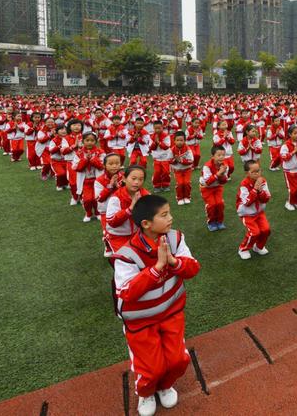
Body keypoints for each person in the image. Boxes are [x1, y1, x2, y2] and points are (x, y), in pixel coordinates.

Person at [111, 194, 200, 416]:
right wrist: (157, 267)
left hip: (171, 312)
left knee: (178, 360)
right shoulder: (126, 255)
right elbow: (126, 291)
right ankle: (146, 391)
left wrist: (173, 262)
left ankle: (164, 385)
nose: (171, 218)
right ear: (146, 224)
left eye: (169, 213)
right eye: (164, 215)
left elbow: (193, 268)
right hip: (141, 321)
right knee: (150, 368)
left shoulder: (176, 239)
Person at [106, 166, 151, 252]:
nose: (137, 182)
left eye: (141, 179)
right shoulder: (116, 198)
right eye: (133, 178)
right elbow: (112, 221)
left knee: (145, 257)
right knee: (125, 260)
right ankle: (107, 240)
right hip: (118, 236)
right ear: (124, 179)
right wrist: (130, 209)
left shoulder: (146, 195)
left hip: (138, 234)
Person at [236, 160, 272, 260]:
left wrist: (260, 192)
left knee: (266, 230)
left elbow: (267, 198)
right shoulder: (244, 184)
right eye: (254, 172)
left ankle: (258, 247)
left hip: (259, 212)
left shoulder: (263, 181)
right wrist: (255, 190)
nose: (257, 174)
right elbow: (247, 202)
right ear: (247, 173)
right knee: (254, 232)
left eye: (258, 171)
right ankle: (243, 249)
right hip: (247, 213)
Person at [71, 132, 105, 222]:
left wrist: (93, 159)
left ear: (96, 141)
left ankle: (98, 212)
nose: (90, 142)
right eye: (87, 140)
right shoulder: (79, 153)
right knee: (87, 200)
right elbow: (76, 168)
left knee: (97, 198)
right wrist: (85, 159)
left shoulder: (100, 152)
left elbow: (102, 166)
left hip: (97, 180)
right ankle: (88, 213)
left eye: (92, 140)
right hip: (85, 180)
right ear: (83, 141)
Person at [95, 154, 124, 256]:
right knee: (107, 231)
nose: (114, 166)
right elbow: (99, 198)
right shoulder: (99, 180)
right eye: (111, 164)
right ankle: (107, 246)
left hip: (121, 208)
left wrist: (119, 186)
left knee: (121, 228)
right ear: (104, 165)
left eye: (117, 163)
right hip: (105, 210)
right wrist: (110, 186)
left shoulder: (124, 176)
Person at [199, 145, 229, 231]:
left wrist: (222, 175)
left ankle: (219, 221)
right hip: (206, 188)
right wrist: (218, 174)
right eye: (219, 155)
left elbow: (224, 181)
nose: (221, 157)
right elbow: (208, 181)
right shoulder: (207, 166)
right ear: (212, 157)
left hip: (217, 187)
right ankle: (211, 222)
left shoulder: (225, 166)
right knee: (212, 205)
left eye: (223, 155)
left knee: (220, 203)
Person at [280, 125, 297, 211]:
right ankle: (289, 202)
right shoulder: (285, 145)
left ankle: (296, 202)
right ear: (290, 134)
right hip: (289, 170)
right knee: (293, 189)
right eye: (295, 133)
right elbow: (284, 157)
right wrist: (294, 151)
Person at [170, 131, 194, 206]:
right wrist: (174, 160)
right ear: (174, 141)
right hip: (177, 170)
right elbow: (169, 160)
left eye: (181, 140)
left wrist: (181, 160)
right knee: (180, 184)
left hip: (187, 169)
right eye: (177, 140)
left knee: (186, 183)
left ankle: (187, 197)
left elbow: (191, 160)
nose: (179, 142)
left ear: (184, 141)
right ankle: (180, 198)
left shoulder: (188, 149)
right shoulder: (172, 150)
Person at [150, 120, 173, 193]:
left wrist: (159, 142)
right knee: (157, 172)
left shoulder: (166, 136)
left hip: (165, 157)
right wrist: (155, 142)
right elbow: (151, 147)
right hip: (156, 158)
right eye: (156, 128)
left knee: (166, 172)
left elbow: (166, 146)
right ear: (153, 128)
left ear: (162, 127)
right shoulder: (151, 136)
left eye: (159, 128)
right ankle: (157, 186)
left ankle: (166, 185)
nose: (157, 130)